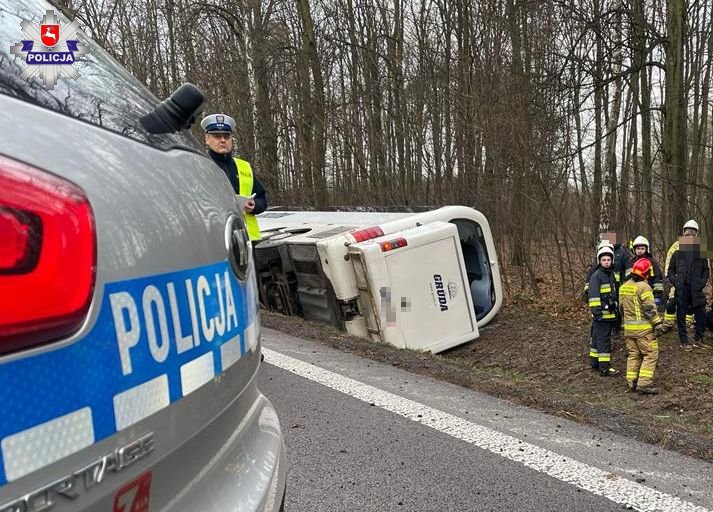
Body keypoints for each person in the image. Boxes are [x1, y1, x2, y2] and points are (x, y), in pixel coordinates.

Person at [201, 113, 267, 241]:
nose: (222, 140)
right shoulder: (200, 166)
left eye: (226, 136)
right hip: (214, 240)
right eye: (217, 136)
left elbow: (262, 199)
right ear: (207, 139)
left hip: (247, 240)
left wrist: (254, 206)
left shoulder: (244, 167)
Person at [619, 258, 664, 394]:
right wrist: (657, 324)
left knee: (633, 354)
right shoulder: (644, 287)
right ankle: (644, 384)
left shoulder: (624, 286)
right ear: (646, 273)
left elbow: (621, 307)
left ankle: (631, 382)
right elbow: (650, 309)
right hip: (643, 331)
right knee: (650, 354)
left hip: (629, 330)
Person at [667, 227, 709, 351]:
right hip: (682, 288)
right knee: (681, 314)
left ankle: (699, 338)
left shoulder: (701, 253)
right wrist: (676, 282)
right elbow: (670, 271)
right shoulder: (677, 253)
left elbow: (706, 271)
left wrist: (701, 283)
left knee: (700, 312)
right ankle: (684, 340)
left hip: (696, 289)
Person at [588, 245, 620, 376]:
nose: (606, 262)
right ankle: (605, 368)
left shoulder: (611, 275)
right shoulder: (596, 276)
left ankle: (595, 362)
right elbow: (593, 296)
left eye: (608, 260)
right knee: (604, 341)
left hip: (610, 315)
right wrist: (597, 313)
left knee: (597, 339)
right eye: (604, 260)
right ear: (599, 261)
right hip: (602, 316)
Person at [662, 220, 699, 331]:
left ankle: (688, 324)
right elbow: (669, 263)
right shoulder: (676, 246)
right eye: (688, 232)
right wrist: (670, 278)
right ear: (683, 232)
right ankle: (668, 323)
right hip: (677, 281)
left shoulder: (701, 246)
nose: (690, 235)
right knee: (672, 302)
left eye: (693, 233)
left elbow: (705, 266)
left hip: (693, 282)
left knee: (690, 303)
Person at [627, 236, 664, 305]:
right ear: (634, 249)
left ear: (646, 249)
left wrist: (657, 296)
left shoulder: (652, 262)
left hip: (647, 294)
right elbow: (628, 279)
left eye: (642, 249)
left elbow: (657, 279)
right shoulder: (631, 262)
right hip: (633, 295)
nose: (640, 251)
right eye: (638, 248)